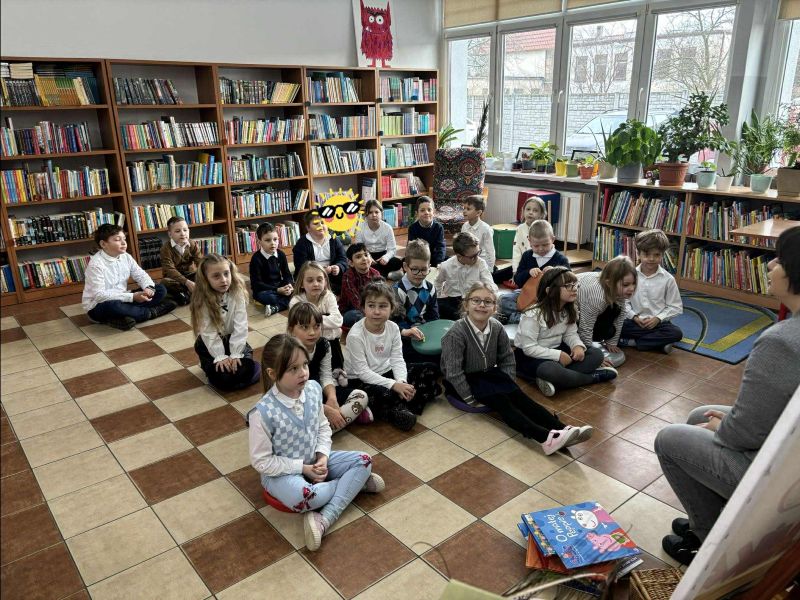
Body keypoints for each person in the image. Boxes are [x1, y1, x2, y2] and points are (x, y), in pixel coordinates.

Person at [655, 226, 800, 565]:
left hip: (782, 474)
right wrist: (727, 425)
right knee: (701, 415)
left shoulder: (782, 342)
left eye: (779, 260)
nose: (769, 265)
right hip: (787, 445)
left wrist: (725, 428)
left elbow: (745, 433)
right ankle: (717, 517)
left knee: (669, 439)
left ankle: (709, 542)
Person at [248, 334, 384, 551]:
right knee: (306, 497)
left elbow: (322, 427)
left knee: (365, 460)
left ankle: (324, 519)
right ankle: (353, 485)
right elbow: (262, 462)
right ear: (273, 374)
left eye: (304, 365)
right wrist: (303, 469)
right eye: (293, 369)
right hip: (281, 474)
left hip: (315, 460)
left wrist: (322, 456)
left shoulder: (312, 389)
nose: (303, 372)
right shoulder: (262, 413)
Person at [441, 282, 592, 455]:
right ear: (466, 305)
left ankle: (562, 429)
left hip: (488, 373)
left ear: (494, 308)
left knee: (521, 398)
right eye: (476, 300)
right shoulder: (456, 333)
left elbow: (507, 358)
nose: (482, 305)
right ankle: (545, 438)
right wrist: (469, 398)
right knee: (504, 404)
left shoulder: (496, 327)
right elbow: (453, 372)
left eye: (488, 302)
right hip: (464, 380)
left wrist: (509, 383)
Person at [344, 282, 438, 431]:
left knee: (431, 369)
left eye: (383, 306)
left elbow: (397, 359)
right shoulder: (355, 335)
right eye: (371, 306)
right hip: (361, 380)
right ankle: (406, 404)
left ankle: (399, 406)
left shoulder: (393, 328)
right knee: (382, 394)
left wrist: (401, 382)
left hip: (387, 372)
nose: (376, 311)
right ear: (363, 308)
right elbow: (362, 372)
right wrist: (394, 385)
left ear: (392, 308)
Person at [514, 267, 617, 397]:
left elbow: (570, 334)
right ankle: (592, 377)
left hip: (557, 350)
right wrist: (558, 355)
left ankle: (559, 379)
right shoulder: (533, 315)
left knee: (596, 354)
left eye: (575, 284)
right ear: (550, 291)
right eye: (568, 285)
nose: (574, 288)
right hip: (532, 356)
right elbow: (529, 348)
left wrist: (577, 346)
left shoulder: (569, 310)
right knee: (549, 370)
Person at [286, 302, 372, 431]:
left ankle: (320, 431)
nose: (312, 332)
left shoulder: (324, 344)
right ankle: (323, 429)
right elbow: (289, 393)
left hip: (318, 392)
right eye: (304, 327)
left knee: (361, 396)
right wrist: (326, 410)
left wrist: (332, 398)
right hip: (296, 399)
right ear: (291, 329)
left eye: (317, 326)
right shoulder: (287, 351)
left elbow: (326, 376)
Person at [82, 224, 176, 331]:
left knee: (160, 289)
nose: (124, 243)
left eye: (124, 239)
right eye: (117, 240)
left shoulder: (125, 256)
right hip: (98, 305)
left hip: (123, 297)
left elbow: (140, 274)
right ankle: (150, 313)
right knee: (114, 306)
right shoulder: (96, 265)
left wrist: (148, 287)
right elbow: (99, 296)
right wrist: (132, 297)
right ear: (103, 244)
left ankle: (124, 317)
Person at [190, 254, 260, 391]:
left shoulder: (237, 292)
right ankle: (231, 379)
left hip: (234, 340)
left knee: (245, 369)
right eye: (216, 276)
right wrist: (220, 356)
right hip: (210, 345)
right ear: (206, 279)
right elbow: (208, 332)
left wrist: (236, 353)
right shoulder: (202, 299)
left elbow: (241, 325)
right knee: (223, 380)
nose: (223, 280)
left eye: (226, 274)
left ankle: (241, 376)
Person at [619, 229, 683, 354]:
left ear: (662, 255)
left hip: (658, 324)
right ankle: (658, 343)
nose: (651, 259)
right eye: (647, 254)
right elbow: (623, 301)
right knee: (612, 327)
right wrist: (634, 317)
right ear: (638, 254)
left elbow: (676, 307)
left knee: (676, 333)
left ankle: (632, 342)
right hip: (634, 322)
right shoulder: (629, 275)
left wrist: (658, 319)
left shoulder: (668, 279)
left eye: (657, 255)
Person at [499, 219, 570, 324]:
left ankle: (520, 317)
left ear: (553, 239)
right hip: (527, 295)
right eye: (536, 246)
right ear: (529, 241)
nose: (540, 249)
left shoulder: (561, 259)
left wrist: (555, 273)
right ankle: (528, 317)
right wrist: (528, 272)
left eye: (545, 245)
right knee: (503, 300)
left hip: (548, 299)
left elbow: (569, 281)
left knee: (559, 307)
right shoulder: (527, 256)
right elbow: (518, 280)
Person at [576, 256, 638, 368]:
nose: (632, 288)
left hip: (590, 310)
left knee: (611, 328)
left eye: (633, 283)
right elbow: (585, 327)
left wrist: (612, 342)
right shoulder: (597, 297)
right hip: (570, 314)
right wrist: (593, 356)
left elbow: (621, 316)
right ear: (609, 283)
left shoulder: (616, 290)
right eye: (626, 285)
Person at [289, 262, 344, 369]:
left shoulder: (328, 296)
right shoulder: (296, 301)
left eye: (319, 280)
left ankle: (337, 370)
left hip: (330, 342)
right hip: (305, 343)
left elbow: (338, 320)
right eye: (310, 281)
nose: (316, 284)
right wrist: (324, 319)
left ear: (325, 282)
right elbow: (298, 328)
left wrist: (311, 322)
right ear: (301, 284)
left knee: (337, 369)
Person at [393, 239, 439, 364]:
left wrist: (429, 331)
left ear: (429, 267)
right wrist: (410, 331)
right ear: (405, 267)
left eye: (424, 269)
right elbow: (396, 322)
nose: (419, 274)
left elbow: (433, 316)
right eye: (414, 269)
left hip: (425, 331)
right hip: (405, 333)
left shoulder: (430, 288)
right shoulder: (398, 291)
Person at [435, 231, 497, 321]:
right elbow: (438, 282)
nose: (477, 258)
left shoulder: (481, 263)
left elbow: (490, 284)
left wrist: (490, 297)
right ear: (459, 256)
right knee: (438, 308)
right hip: (453, 301)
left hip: (475, 301)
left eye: (478, 253)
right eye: (472, 256)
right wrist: (439, 296)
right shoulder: (446, 266)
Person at [292, 211, 348, 294]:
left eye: (322, 223)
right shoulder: (302, 243)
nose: (320, 226)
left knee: (347, 281)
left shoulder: (334, 240)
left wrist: (338, 267)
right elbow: (301, 266)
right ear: (308, 228)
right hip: (312, 278)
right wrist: (320, 271)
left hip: (333, 277)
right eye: (316, 223)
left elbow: (342, 258)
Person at [249, 222, 293, 317]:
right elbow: (257, 284)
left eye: (275, 239)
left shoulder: (281, 254)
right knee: (270, 298)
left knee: (298, 290)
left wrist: (289, 285)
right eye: (268, 240)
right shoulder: (256, 259)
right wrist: (277, 290)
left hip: (279, 285)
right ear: (259, 242)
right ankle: (286, 303)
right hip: (264, 290)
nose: (273, 243)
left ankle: (277, 307)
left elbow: (287, 274)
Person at [355, 199, 403, 280]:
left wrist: (386, 257)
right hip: (367, 255)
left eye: (376, 212)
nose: (374, 215)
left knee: (397, 262)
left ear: (381, 213)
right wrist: (368, 257)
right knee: (358, 264)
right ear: (366, 214)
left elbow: (392, 249)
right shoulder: (360, 228)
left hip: (382, 255)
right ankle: (386, 275)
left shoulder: (388, 228)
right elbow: (359, 248)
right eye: (370, 212)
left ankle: (375, 276)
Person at [159, 216, 202, 306]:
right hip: (173, 278)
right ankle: (187, 293)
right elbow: (170, 270)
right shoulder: (165, 249)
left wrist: (205, 274)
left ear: (189, 231)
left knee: (202, 275)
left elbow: (200, 262)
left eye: (185, 230)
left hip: (188, 275)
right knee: (165, 282)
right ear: (170, 234)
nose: (183, 234)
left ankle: (186, 294)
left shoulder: (192, 244)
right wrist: (187, 282)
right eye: (178, 231)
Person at [338, 242, 382, 328]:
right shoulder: (348, 276)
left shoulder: (376, 274)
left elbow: (381, 294)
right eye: (358, 257)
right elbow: (356, 301)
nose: (364, 258)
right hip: (352, 309)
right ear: (351, 263)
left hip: (372, 306)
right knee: (356, 316)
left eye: (366, 255)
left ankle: (373, 323)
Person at [407, 195, 446, 267]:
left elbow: (440, 247)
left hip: (434, 258)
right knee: (405, 262)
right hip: (419, 259)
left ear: (434, 212)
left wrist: (439, 263)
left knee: (448, 261)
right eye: (422, 210)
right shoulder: (412, 228)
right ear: (417, 213)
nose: (426, 212)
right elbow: (411, 248)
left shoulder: (438, 227)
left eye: (429, 210)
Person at [512, 196, 547, 275]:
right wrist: (515, 270)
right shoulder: (520, 229)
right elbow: (516, 250)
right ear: (523, 211)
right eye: (528, 209)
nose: (530, 212)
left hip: (539, 267)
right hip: (523, 266)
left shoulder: (544, 229)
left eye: (535, 210)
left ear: (541, 214)